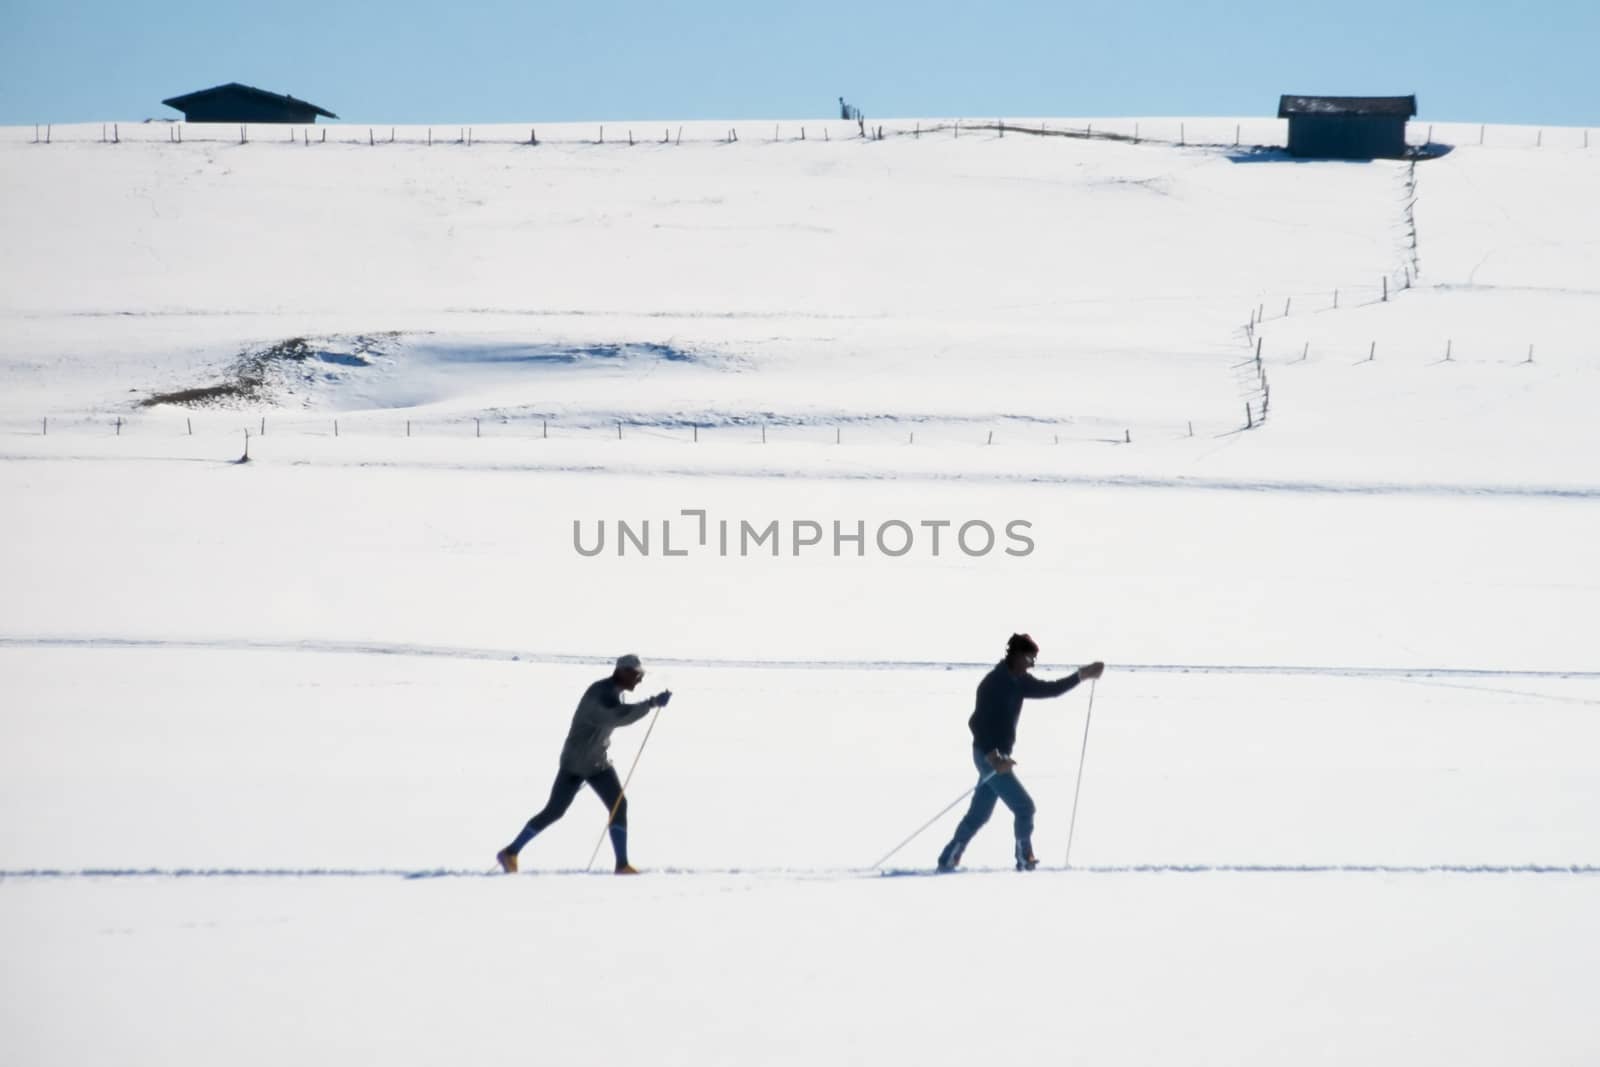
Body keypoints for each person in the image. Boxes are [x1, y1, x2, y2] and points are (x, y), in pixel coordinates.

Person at [936, 634, 1104, 872]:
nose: (1031, 664)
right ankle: (1024, 858)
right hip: (987, 755)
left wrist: (1081, 675)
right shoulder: (993, 683)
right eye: (1028, 658)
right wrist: (993, 757)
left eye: (1033, 659)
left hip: (997, 757)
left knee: (979, 814)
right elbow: (976, 723)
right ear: (1014, 655)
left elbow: (1051, 689)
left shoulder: (1020, 681)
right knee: (1025, 808)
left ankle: (948, 858)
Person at [497, 654, 672, 875]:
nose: (639, 680)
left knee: (619, 805)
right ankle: (511, 852)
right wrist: (651, 703)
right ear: (622, 672)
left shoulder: (616, 693)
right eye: (637, 675)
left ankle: (622, 864)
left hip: (597, 762)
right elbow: (615, 717)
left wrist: (650, 704)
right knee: (554, 811)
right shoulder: (599, 694)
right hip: (576, 763)